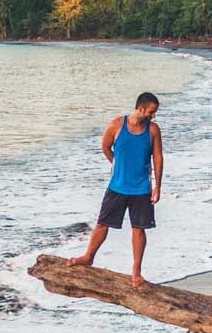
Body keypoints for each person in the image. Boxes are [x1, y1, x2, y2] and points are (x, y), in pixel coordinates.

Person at [67, 92, 164, 288]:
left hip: (141, 189)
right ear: (141, 108)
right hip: (117, 187)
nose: (154, 116)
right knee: (102, 224)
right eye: (152, 112)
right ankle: (88, 257)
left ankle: (136, 272)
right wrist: (116, 164)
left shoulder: (153, 130)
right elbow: (105, 147)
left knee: (139, 230)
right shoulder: (117, 125)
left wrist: (157, 186)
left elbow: (158, 157)